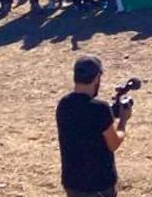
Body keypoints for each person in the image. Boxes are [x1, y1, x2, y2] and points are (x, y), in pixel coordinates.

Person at [56, 55, 129, 197]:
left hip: (73, 183)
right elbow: (113, 144)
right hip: (99, 185)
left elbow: (84, 124)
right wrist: (123, 122)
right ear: (96, 78)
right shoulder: (100, 109)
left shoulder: (64, 104)